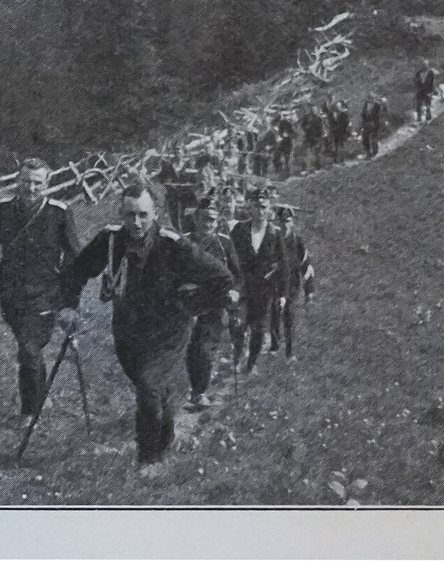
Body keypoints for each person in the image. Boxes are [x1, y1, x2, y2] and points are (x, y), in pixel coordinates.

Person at [58, 185, 234, 472]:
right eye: (130, 215)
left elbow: (222, 277)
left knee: (148, 387)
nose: (136, 223)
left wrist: (190, 304)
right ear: (121, 213)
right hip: (127, 332)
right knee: (152, 388)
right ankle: (166, 436)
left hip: (169, 332)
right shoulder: (111, 239)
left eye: (143, 215)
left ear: (156, 214)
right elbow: (77, 271)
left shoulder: (173, 244)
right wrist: (69, 306)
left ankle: (148, 458)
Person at [0, 157, 82, 421]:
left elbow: (75, 258)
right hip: (11, 295)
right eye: (25, 182)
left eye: (37, 183)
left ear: (47, 184)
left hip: (46, 296)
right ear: (17, 181)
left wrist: (70, 301)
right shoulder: (3, 209)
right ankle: (39, 392)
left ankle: (29, 412)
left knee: (29, 349)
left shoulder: (59, 212)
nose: (30, 188)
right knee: (27, 347)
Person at [184, 205, 243, 409]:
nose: (207, 224)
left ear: (217, 222)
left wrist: (234, 291)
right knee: (190, 350)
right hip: (188, 304)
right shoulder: (185, 241)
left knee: (205, 350)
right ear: (196, 219)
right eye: (204, 219)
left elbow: (237, 275)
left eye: (212, 220)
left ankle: (199, 392)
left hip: (215, 304)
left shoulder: (224, 243)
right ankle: (192, 389)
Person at [230, 189, 288, 372]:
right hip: (242, 286)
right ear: (250, 208)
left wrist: (282, 294)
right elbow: (230, 257)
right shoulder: (239, 229)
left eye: (263, 207)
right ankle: (238, 355)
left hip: (264, 289)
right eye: (256, 206)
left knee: (258, 328)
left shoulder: (275, 233)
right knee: (238, 324)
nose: (260, 211)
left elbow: (283, 265)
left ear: (269, 208)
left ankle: (252, 362)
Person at [275, 204, 317, 360]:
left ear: (292, 222)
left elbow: (306, 267)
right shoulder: (272, 239)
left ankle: (290, 351)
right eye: (282, 221)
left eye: (288, 221)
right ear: (277, 222)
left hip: (292, 285)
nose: (285, 225)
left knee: (289, 317)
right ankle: (275, 344)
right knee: (273, 316)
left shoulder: (297, 241)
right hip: (275, 284)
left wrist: (309, 292)